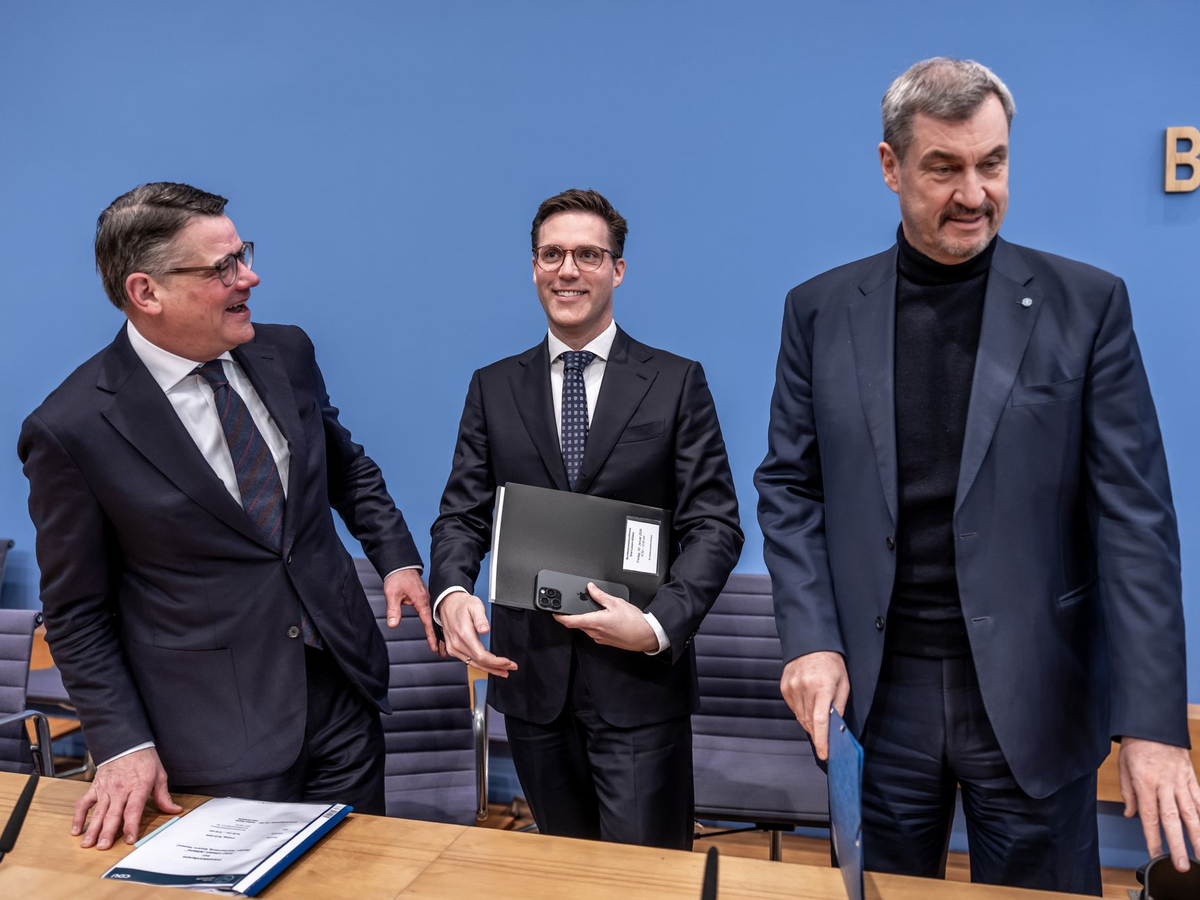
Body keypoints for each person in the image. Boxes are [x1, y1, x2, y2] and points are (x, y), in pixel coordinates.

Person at [754, 58, 1199, 894]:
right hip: (879, 698)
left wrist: (1153, 723)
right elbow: (791, 488)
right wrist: (810, 636)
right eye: (944, 168)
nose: (973, 193)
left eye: (992, 164)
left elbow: (1136, 523)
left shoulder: (1087, 305)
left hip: (1037, 693)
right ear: (890, 167)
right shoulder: (818, 311)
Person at [18, 182, 436, 849]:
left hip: (343, 698)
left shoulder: (287, 352)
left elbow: (345, 469)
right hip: (213, 734)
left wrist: (397, 560)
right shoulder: (73, 428)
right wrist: (122, 743)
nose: (249, 277)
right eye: (222, 267)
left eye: (243, 255)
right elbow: (76, 614)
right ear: (146, 292)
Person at [430, 188, 742, 850]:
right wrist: (451, 591)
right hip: (530, 679)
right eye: (552, 254)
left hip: (637, 680)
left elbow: (715, 527)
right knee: (563, 876)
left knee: (646, 883)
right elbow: (461, 515)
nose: (567, 270)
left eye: (588, 255)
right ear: (534, 267)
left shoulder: (675, 382)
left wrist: (656, 626)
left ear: (617, 269)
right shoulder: (493, 386)